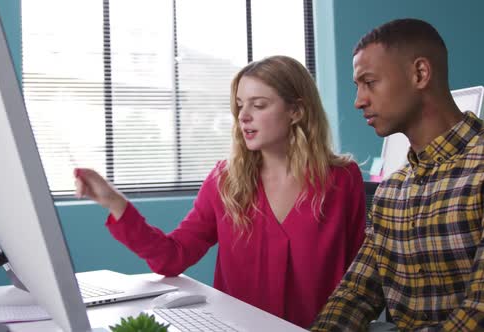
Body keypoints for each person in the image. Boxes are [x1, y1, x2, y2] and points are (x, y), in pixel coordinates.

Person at [74, 55, 366, 328]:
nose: (243, 116)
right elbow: (171, 257)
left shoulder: (342, 180)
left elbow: (360, 278)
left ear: (296, 111)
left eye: (259, 105)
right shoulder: (224, 181)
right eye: (240, 105)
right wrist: (114, 202)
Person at [311, 18, 484, 331]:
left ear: (420, 74)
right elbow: (355, 294)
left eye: (370, 82)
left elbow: (478, 312)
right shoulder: (391, 191)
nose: (358, 100)